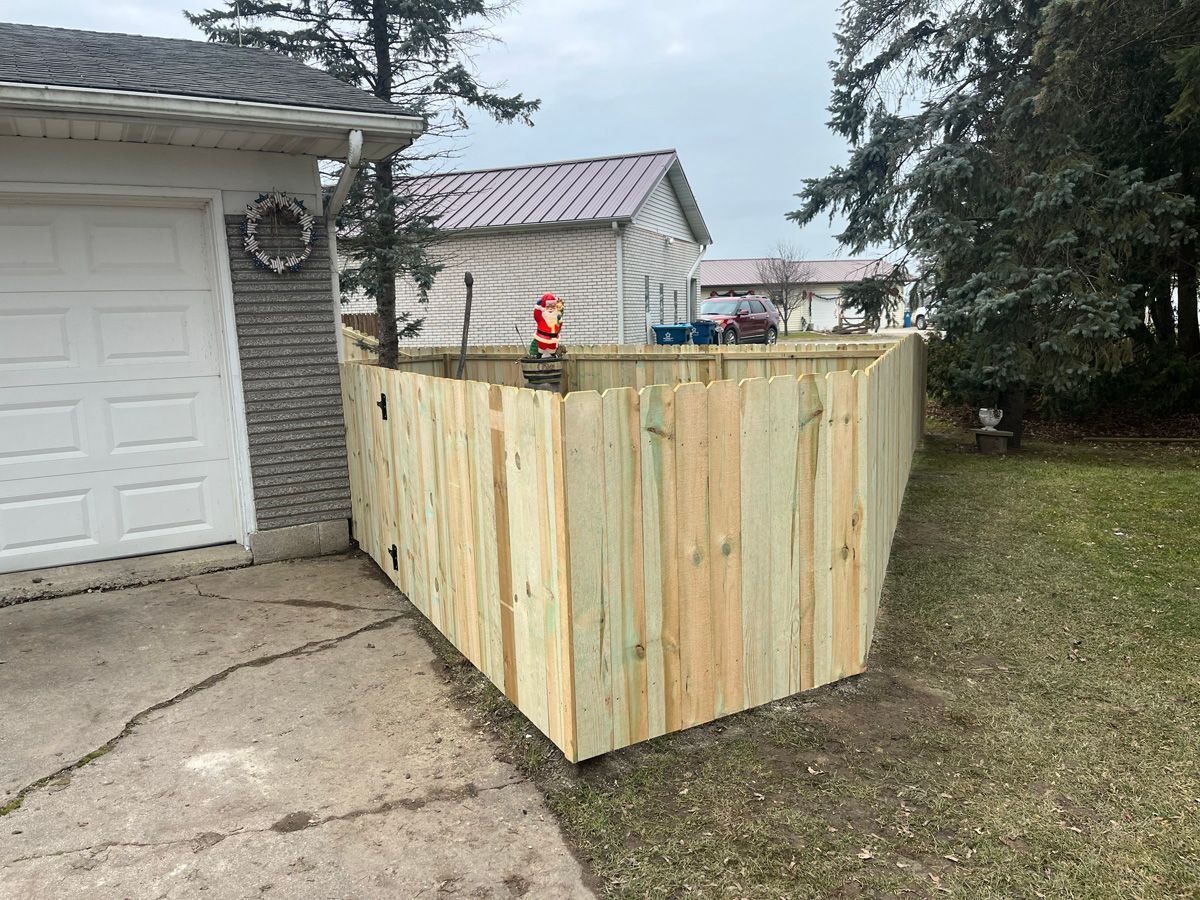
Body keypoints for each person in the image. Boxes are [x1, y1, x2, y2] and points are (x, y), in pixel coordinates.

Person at [531, 292, 564, 357]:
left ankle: (552, 354)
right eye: (548, 307)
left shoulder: (556, 315)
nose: (550, 308)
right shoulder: (542, 315)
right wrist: (537, 308)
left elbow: (559, 324)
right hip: (543, 336)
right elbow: (536, 316)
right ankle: (539, 354)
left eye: (552, 307)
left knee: (552, 347)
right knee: (542, 345)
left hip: (553, 337)